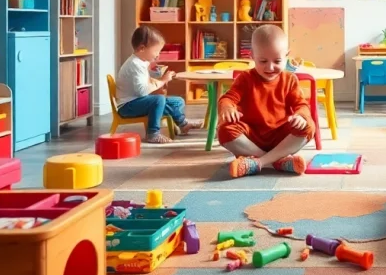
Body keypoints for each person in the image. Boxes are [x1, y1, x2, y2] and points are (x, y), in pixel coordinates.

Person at [217, 25, 314, 178]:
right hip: (251, 138)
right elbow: (228, 98)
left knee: (308, 126)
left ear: (287, 56)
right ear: (252, 56)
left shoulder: (289, 79)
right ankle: (277, 161)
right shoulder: (245, 78)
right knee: (224, 129)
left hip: (280, 137)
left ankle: (259, 163)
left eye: (277, 61)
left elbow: (301, 105)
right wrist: (227, 108)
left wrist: (300, 116)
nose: (270, 67)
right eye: (262, 61)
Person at [115, 26, 200, 143]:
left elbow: (145, 83)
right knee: (159, 100)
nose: (158, 55)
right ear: (142, 48)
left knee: (177, 101)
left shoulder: (142, 62)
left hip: (138, 102)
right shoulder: (135, 64)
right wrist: (163, 81)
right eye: (156, 51)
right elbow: (142, 91)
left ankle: (183, 123)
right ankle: (153, 133)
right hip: (127, 107)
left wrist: (158, 77)